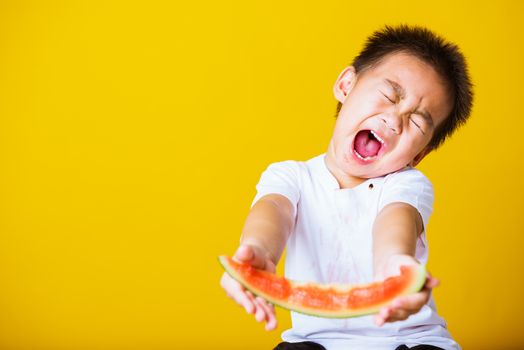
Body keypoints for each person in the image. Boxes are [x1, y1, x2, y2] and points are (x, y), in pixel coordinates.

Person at [220, 24, 473, 350]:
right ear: (346, 85)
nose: (394, 121)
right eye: (389, 96)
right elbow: (274, 210)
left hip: (407, 341)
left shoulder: (408, 185)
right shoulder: (291, 177)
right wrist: (257, 251)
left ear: (419, 155)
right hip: (315, 342)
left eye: (416, 122)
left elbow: (394, 220)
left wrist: (395, 265)